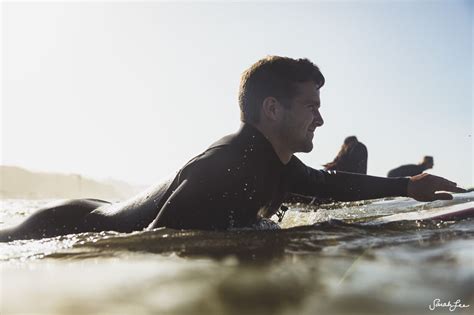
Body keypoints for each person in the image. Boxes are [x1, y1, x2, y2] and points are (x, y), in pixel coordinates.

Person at [0, 56, 465, 241]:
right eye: (311, 106)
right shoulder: (227, 167)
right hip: (67, 223)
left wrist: (408, 185)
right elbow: (154, 246)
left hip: (103, 209)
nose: (320, 119)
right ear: (272, 108)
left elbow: (327, 183)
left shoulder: (274, 164)